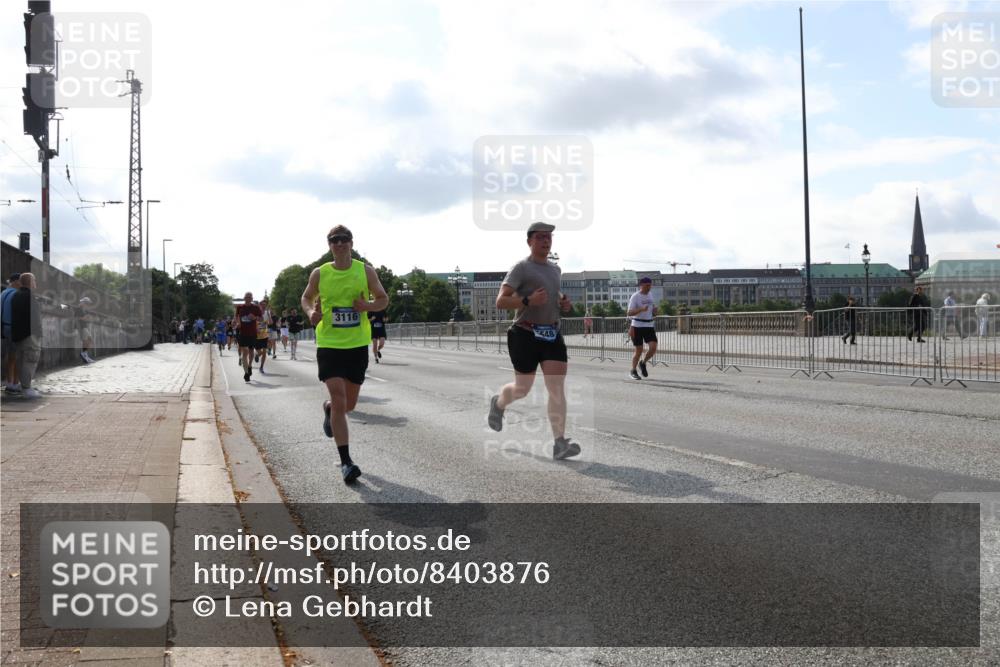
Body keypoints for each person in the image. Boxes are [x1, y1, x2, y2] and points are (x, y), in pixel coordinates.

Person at [301, 224, 389, 484]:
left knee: (348, 405)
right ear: (329, 244)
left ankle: (329, 410)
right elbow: (306, 298)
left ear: (351, 242)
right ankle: (346, 462)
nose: (339, 243)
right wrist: (311, 313)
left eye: (343, 239)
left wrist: (368, 306)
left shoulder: (365, 271)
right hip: (329, 343)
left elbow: (383, 299)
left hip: (357, 344)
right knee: (340, 400)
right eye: (334, 240)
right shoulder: (320, 273)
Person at [486, 221, 579, 461]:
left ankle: (560, 443)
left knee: (556, 387)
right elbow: (501, 301)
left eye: (549, 237)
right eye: (540, 237)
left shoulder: (555, 270)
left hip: (551, 333)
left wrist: (564, 305)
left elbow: (554, 299)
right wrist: (527, 300)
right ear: (529, 242)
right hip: (525, 333)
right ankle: (498, 404)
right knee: (522, 388)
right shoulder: (521, 268)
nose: (546, 241)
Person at [9, 272, 43, 398]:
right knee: (30, 360)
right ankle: (27, 388)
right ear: (30, 282)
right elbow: (35, 318)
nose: (36, 283)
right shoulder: (30, 296)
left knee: (21, 360)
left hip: (18, 335)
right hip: (30, 335)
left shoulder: (16, 295)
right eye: (34, 280)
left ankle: (24, 386)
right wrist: (39, 333)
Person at [627, 277, 658, 379]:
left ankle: (643, 362)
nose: (649, 287)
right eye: (647, 285)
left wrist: (655, 311)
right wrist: (640, 309)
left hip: (649, 325)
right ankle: (633, 371)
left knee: (653, 348)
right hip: (637, 326)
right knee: (639, 350)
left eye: (650, 285)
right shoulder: (635, 296)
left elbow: (652, 311)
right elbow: (629, 313)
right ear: (641, 285)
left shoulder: (650, 295)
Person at [2, 273, 22, 393]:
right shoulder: (16, 294)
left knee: (10, 356)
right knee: (17, 356)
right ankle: (14, 383)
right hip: (14, 328)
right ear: (16, 282)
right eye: (20, 282)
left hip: (5, 327)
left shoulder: (3, 293)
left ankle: (10, 381)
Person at [235, 292, 262, 382]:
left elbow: (261, 318)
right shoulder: (240, 308)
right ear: (244, 298)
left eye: (250, 297)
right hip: (243, 333)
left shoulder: (255, 308)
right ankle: (246, 373)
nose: (248, 298)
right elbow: (236, 317)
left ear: (252, 298)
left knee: (251, 352)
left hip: (252, 333)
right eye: (247, 297)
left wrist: (255, 318)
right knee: (245, 352)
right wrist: (237, 322)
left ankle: (250, 365)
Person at [73, 297, 96, 363]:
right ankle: (84, 355)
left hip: (84, 326)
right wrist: (83, 318)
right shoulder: (78, 308)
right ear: (83, 302)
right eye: (87, 303)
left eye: (88, 304)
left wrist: (87, 318)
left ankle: (84, 354)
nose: (87, 305)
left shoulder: (84, 310)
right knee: (86, 340)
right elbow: (76, 318)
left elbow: (85, 318)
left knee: (90, 340)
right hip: (81, 327)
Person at [256, 299, 272, 370]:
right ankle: (257, 355)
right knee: (260, 352)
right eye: (262, 305)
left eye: (265, 305)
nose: (264, 306)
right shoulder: (256, 313)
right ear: (260, 305)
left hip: (264, 335)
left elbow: (270, 323)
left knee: (264, 351)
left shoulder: (267, 313)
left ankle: (261, 366)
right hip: (256, 336)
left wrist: (269, 315)